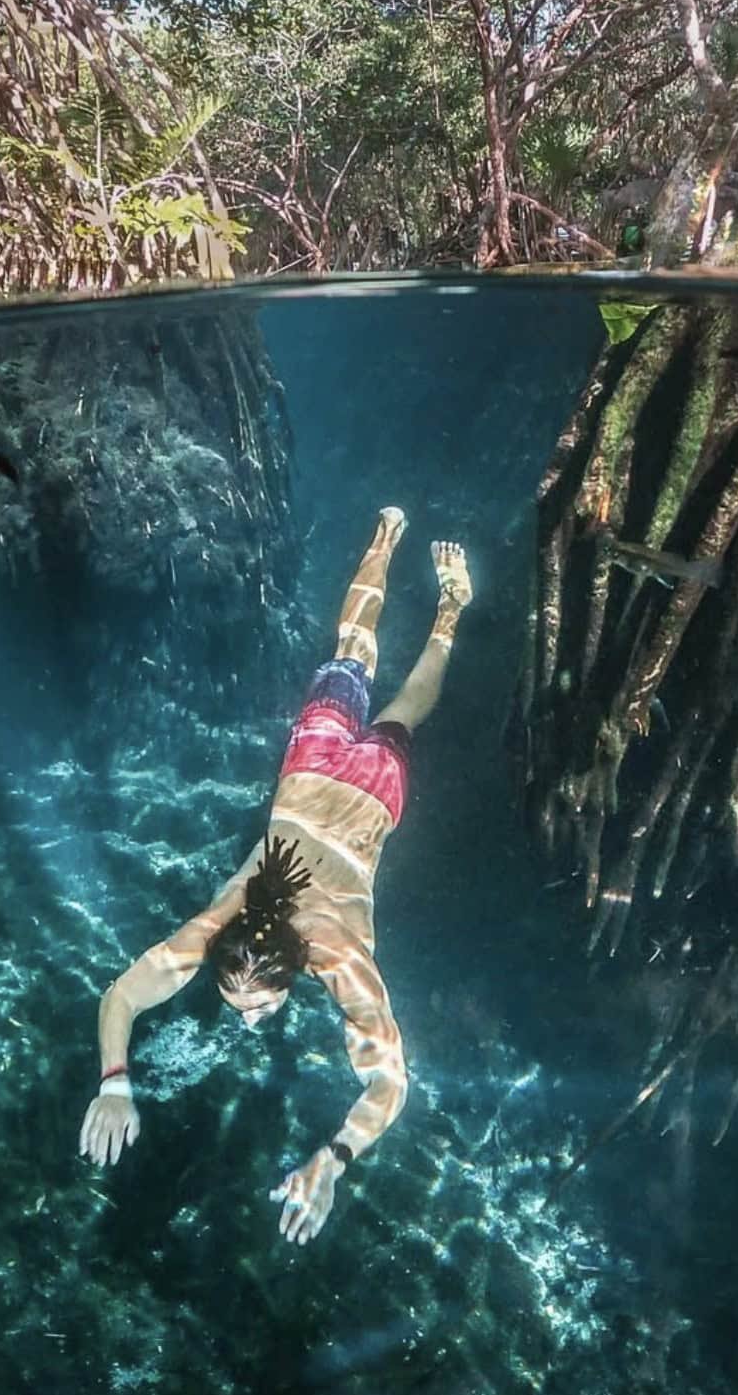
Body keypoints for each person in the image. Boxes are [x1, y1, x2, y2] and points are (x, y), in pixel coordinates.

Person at [78, 507, 472, 1244]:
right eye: (240, 1000)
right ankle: (388, 541)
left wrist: (334, 1160)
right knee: (354, 654)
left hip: (368, 793)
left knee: (404, 701)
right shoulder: (225, 920)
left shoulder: (340, 955)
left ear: (298, 972)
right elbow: (122, 997)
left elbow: (393, 1082)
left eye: (255, 1007)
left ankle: (446, 600)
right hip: (318, 775)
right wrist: (114, 1083)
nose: (246, 1015)